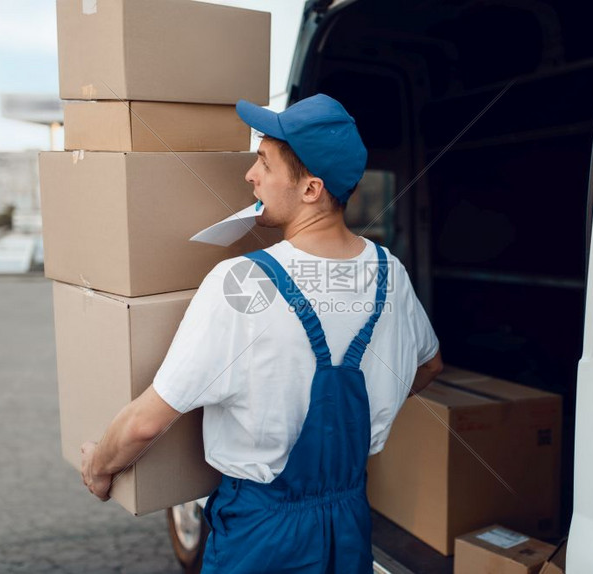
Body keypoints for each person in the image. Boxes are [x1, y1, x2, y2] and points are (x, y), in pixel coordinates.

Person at [80, 93, 443, 573]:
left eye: (265, 163)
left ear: (311, 188)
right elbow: (429, 365)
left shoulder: (241, 282)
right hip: (350, 520)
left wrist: (99, 466)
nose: (250, 175)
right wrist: (381, 403)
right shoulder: (389, 273)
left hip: (262, 532)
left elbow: (148, 422)